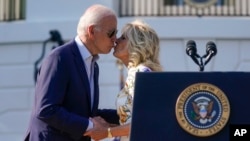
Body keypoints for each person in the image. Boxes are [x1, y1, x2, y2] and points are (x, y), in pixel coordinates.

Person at [24, 4, 120, 141]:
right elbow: (47, 110)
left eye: (116, 33)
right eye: (111, 33)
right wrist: (90, 125)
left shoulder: (93, 64)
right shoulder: (60, 57)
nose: (115, 39)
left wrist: (126, 116)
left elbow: (83, 112)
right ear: (92, 31)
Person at [84, 20, 163, 141]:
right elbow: (135, 119)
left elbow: (146, 122)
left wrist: (107, 132)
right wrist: (112, 125)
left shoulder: (141, 74)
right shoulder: (137, 73)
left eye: (123, 38)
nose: (116, 40)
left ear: (137, 44)